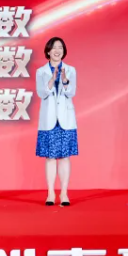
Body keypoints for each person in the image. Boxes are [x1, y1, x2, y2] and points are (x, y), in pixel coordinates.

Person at [35, 37, 78, 206]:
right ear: (48, 51)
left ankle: (64, 193)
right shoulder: (41, 72)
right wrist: (51, 80)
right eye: (54, 48)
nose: (57, 50)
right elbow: (42, 93)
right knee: (50, 158)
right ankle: (51, 193)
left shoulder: (71, 70)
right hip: (49, 119)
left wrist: (65, 80)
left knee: (65, 157)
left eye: (60, 47)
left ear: (64, 51)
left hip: (66, 119)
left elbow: (71, 93)